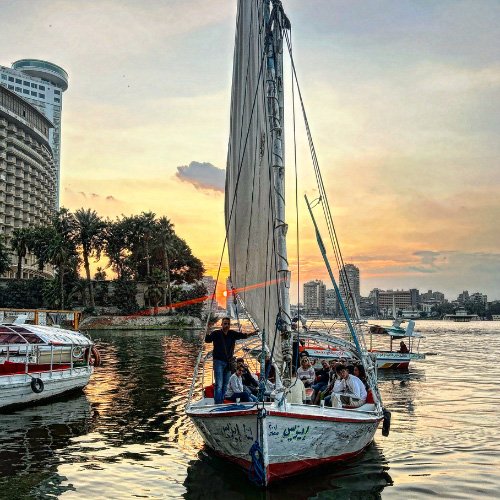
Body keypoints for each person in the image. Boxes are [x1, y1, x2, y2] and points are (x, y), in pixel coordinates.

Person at [204, 317, 257, 404]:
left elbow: (243, 335)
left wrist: (253, 333)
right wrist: (208, 328)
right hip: (218, 362)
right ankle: (218, 402)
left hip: (228, 363)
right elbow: (207, 339)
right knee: (219, 384)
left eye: (228, 324)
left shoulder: (232, 334)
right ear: (221, 325)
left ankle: (222, 400)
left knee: (225, 384)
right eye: (225, 324)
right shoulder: (216, 333)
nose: (227, 325)